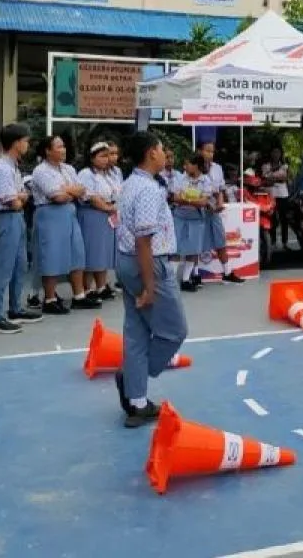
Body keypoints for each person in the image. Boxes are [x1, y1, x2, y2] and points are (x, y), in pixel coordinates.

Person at [113, 131, 186, 428]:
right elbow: (144, 241)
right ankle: (133, 378)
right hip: (148, 263)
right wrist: (150, 287)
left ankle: (138, 402)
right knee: (174, 331)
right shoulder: (147, 190)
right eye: (159, 148)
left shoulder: (131, 184)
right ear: (149, 153)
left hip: (127, 261)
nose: (164, 153)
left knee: (137, 333)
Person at [0, 123, 43, 334]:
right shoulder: (2, 168)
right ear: (16, 143)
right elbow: (15, 201)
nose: (27, 145)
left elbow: (21, 196)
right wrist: (20, 197)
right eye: (26, 141)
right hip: (7, 217)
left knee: (19, 266)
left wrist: (20, 196)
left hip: (16, 218)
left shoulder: (13, 166)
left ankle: (15, 308)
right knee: (4, 268)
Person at [30, 135, 95, 314]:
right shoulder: (41, 171)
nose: (63, 149)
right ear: (48, 151)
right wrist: (69, 191)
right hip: (50, 215)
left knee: (77, 253)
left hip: (69, 213)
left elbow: (82, 191)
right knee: (51, 256)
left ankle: (79, 296)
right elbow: (56, 197)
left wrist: (67, 190)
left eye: (63, 146)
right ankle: (49, 299)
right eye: (58, 147)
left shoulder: (68, 169)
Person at [78, 142, 122, 301]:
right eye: (102, 156)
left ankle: (101, 286)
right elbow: (91, 197)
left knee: (103, 251)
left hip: (108, 216)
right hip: (93, 215)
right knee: (92, 251)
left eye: (107, 155)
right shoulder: (86, 174)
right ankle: (86, 288)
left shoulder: (111, 174)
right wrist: (108, 208)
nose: (106, 159)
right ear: (92, 158)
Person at [197, 142, 243, 284]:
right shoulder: (194, 167)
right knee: (196, 243)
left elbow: (221, 189)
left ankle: (227, 272)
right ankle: (193, 275)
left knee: (220, 240)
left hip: (214, 210)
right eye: (207, 151)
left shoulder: (217, 168)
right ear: (200, 151)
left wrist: (220, 204)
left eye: (212, 151)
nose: (210, 154)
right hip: (199, 210)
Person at [170, 156, 212, 292]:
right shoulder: (180, 178)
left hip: (196, 218)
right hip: (179, 217)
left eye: (187, 164)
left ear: (197, 166)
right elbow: (175, 198)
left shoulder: (206, 180)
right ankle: (171, 281)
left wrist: (186, 200)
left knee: (193, 249)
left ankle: (186, 280)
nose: (185, 167)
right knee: (176, 248)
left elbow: (204, 202)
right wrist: (194, 201)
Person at [260, 146, 292, 249]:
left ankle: (285, 242)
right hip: (271, 195)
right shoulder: (265, 166)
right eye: (274, 152)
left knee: (284, 219)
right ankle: (273, 242)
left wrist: (272, 178)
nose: (276, 154)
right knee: (272, 219)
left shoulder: (285, 166)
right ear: (271, 153)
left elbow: (285, 178)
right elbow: (265, 179)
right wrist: (277, 178)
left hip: (283, 194)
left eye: (278, 152)